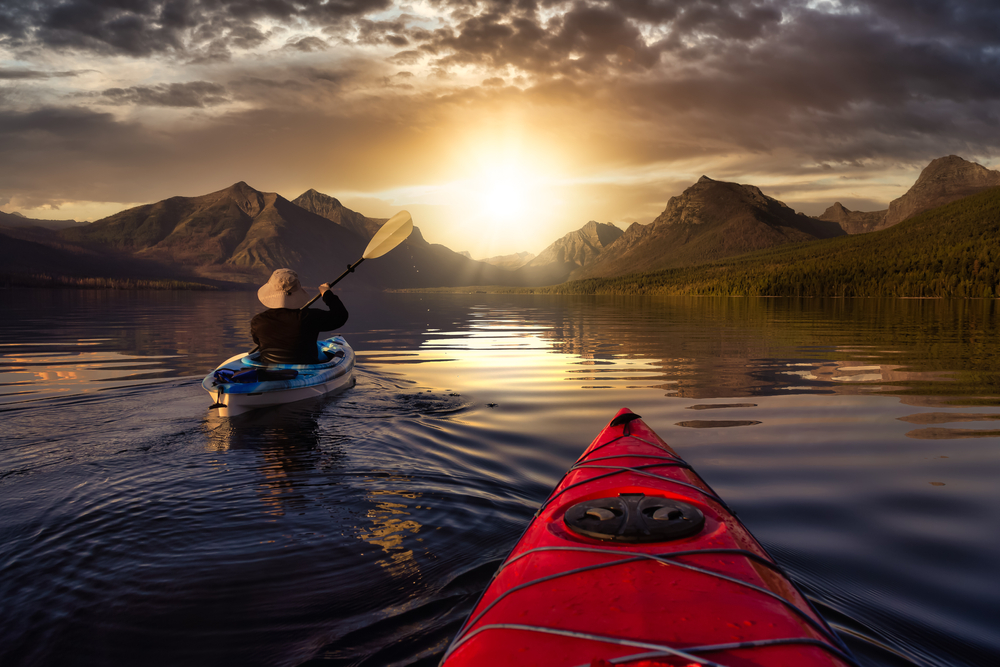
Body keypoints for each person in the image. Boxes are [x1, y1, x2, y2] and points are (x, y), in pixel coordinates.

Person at [251, 268, 349, 364]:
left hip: (269, 370)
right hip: (307, 371)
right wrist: (326, 293)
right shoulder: (310, 317)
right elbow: (341, 316)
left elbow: (258, 342)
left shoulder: (258, 321)